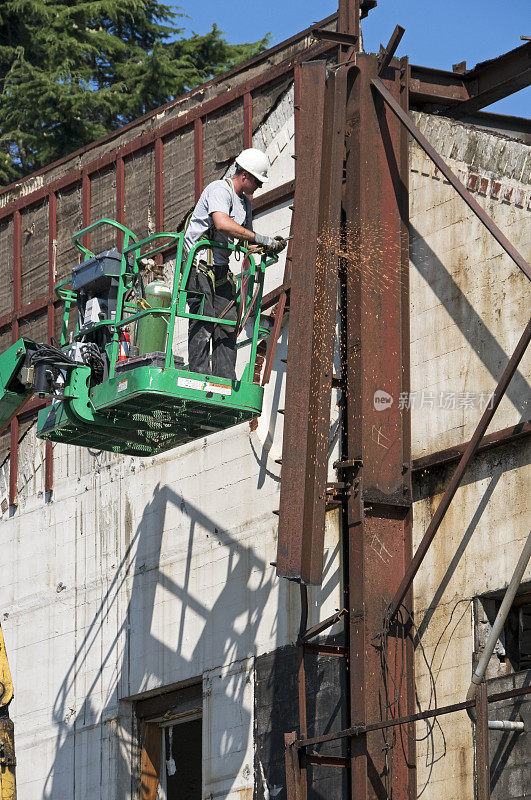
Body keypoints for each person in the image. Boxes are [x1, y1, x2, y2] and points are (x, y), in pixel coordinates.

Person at [183, 148, 286, 380]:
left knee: (228, 323)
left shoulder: (245, 204)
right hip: (199, 265)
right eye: (258, 181)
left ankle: (224, 381)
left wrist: (267, 245)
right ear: (245, 175)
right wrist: (258, 238)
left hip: (219, 269)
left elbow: (245, 238)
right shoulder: (220, 189)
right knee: (204, 319)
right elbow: (221, 224)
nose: (259, 186)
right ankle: (199, 377)